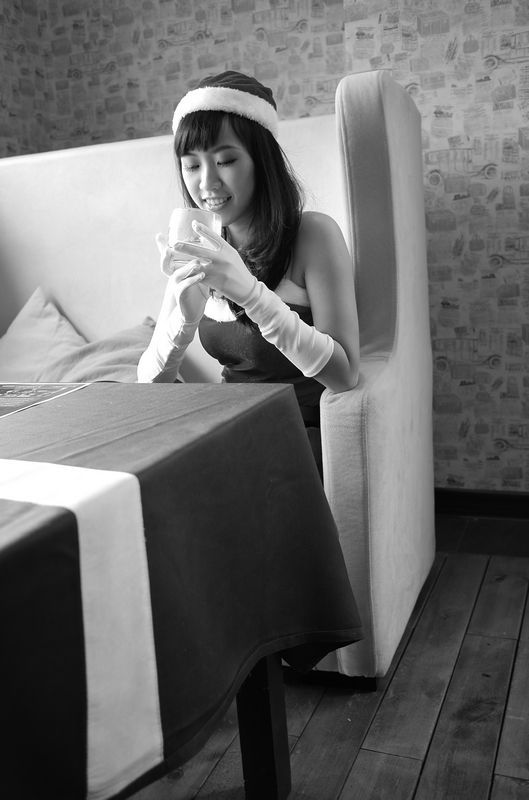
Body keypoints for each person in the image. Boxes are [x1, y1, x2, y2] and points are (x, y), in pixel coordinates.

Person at [137, 71, 359, 473]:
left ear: (262, 159)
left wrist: (252, 295)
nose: (207, 183)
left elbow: (345, 375)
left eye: (225, 160)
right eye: (191, 165)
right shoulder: (201, 244)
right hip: (228, 428)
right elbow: (149, 384)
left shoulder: (312, 234)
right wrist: (182, 323)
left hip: (298, 435)